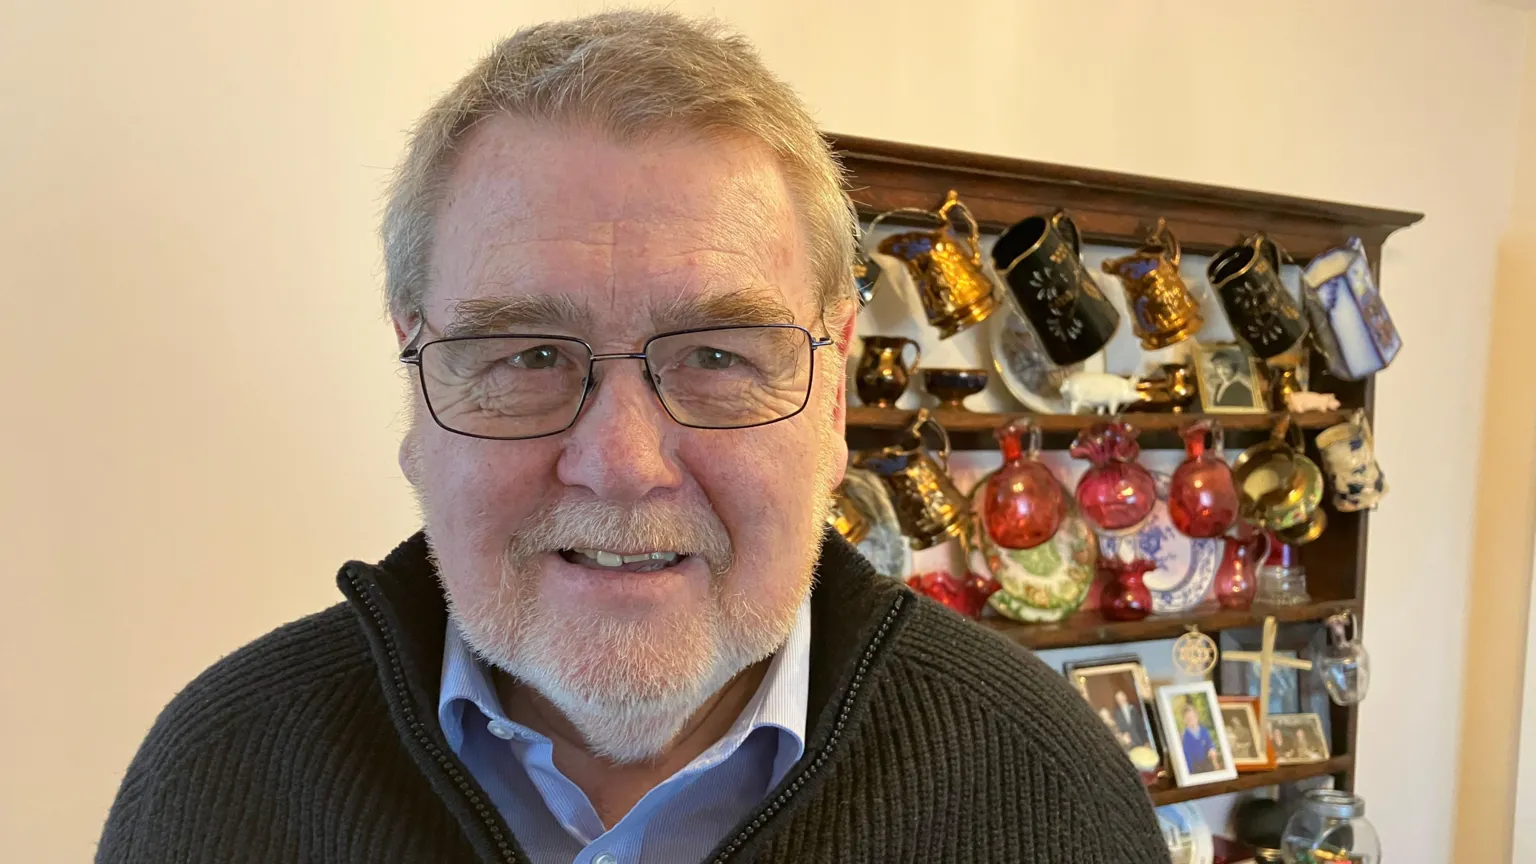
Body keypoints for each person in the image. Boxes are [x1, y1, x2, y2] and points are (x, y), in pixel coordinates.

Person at [94, 11, 1165, 864]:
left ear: (834, 395)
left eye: (718, 356)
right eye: (527, 355)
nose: (621, 462)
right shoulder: (216, 776)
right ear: (416, 386)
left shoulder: (1049, 790)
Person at [1180, 702, 1222, 774]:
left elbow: (1210, 743)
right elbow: (1187, 757)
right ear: (1184, 720)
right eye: (1188, 719)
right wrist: (1189, 772)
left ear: (1197, 717)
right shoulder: (1185, 737)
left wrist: (1212, 749)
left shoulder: (1204, 731)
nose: (1191, 720)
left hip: (1207, 762)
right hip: (1195, 767)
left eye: (1193, 717)